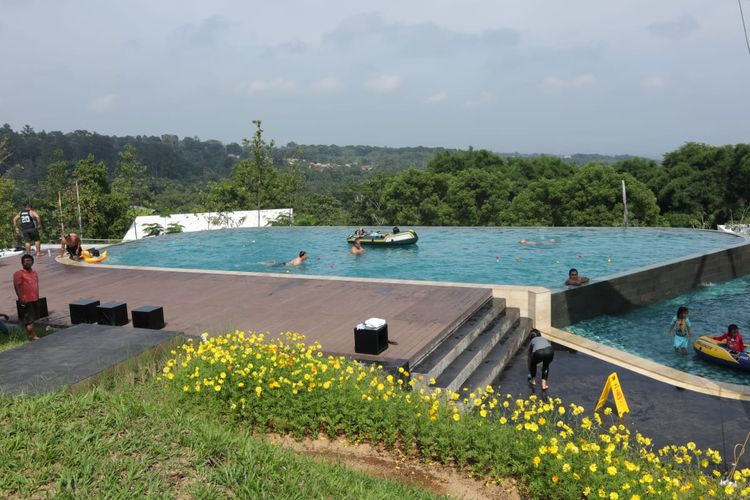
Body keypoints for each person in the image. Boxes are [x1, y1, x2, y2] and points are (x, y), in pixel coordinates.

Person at [13, 254, 40, 341]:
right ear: (22, 263)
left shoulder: (34, 273)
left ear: (32, 262)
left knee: (32, 318)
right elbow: (16, 285)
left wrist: (37, 296)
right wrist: (20, 298)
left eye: (29, 261)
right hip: (25, 300)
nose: (28, 262)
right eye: (26, 261)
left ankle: (31, 336)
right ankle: (33, 336)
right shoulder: (19, 273)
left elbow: (36, 285)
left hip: (34, 298)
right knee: (29, 320)